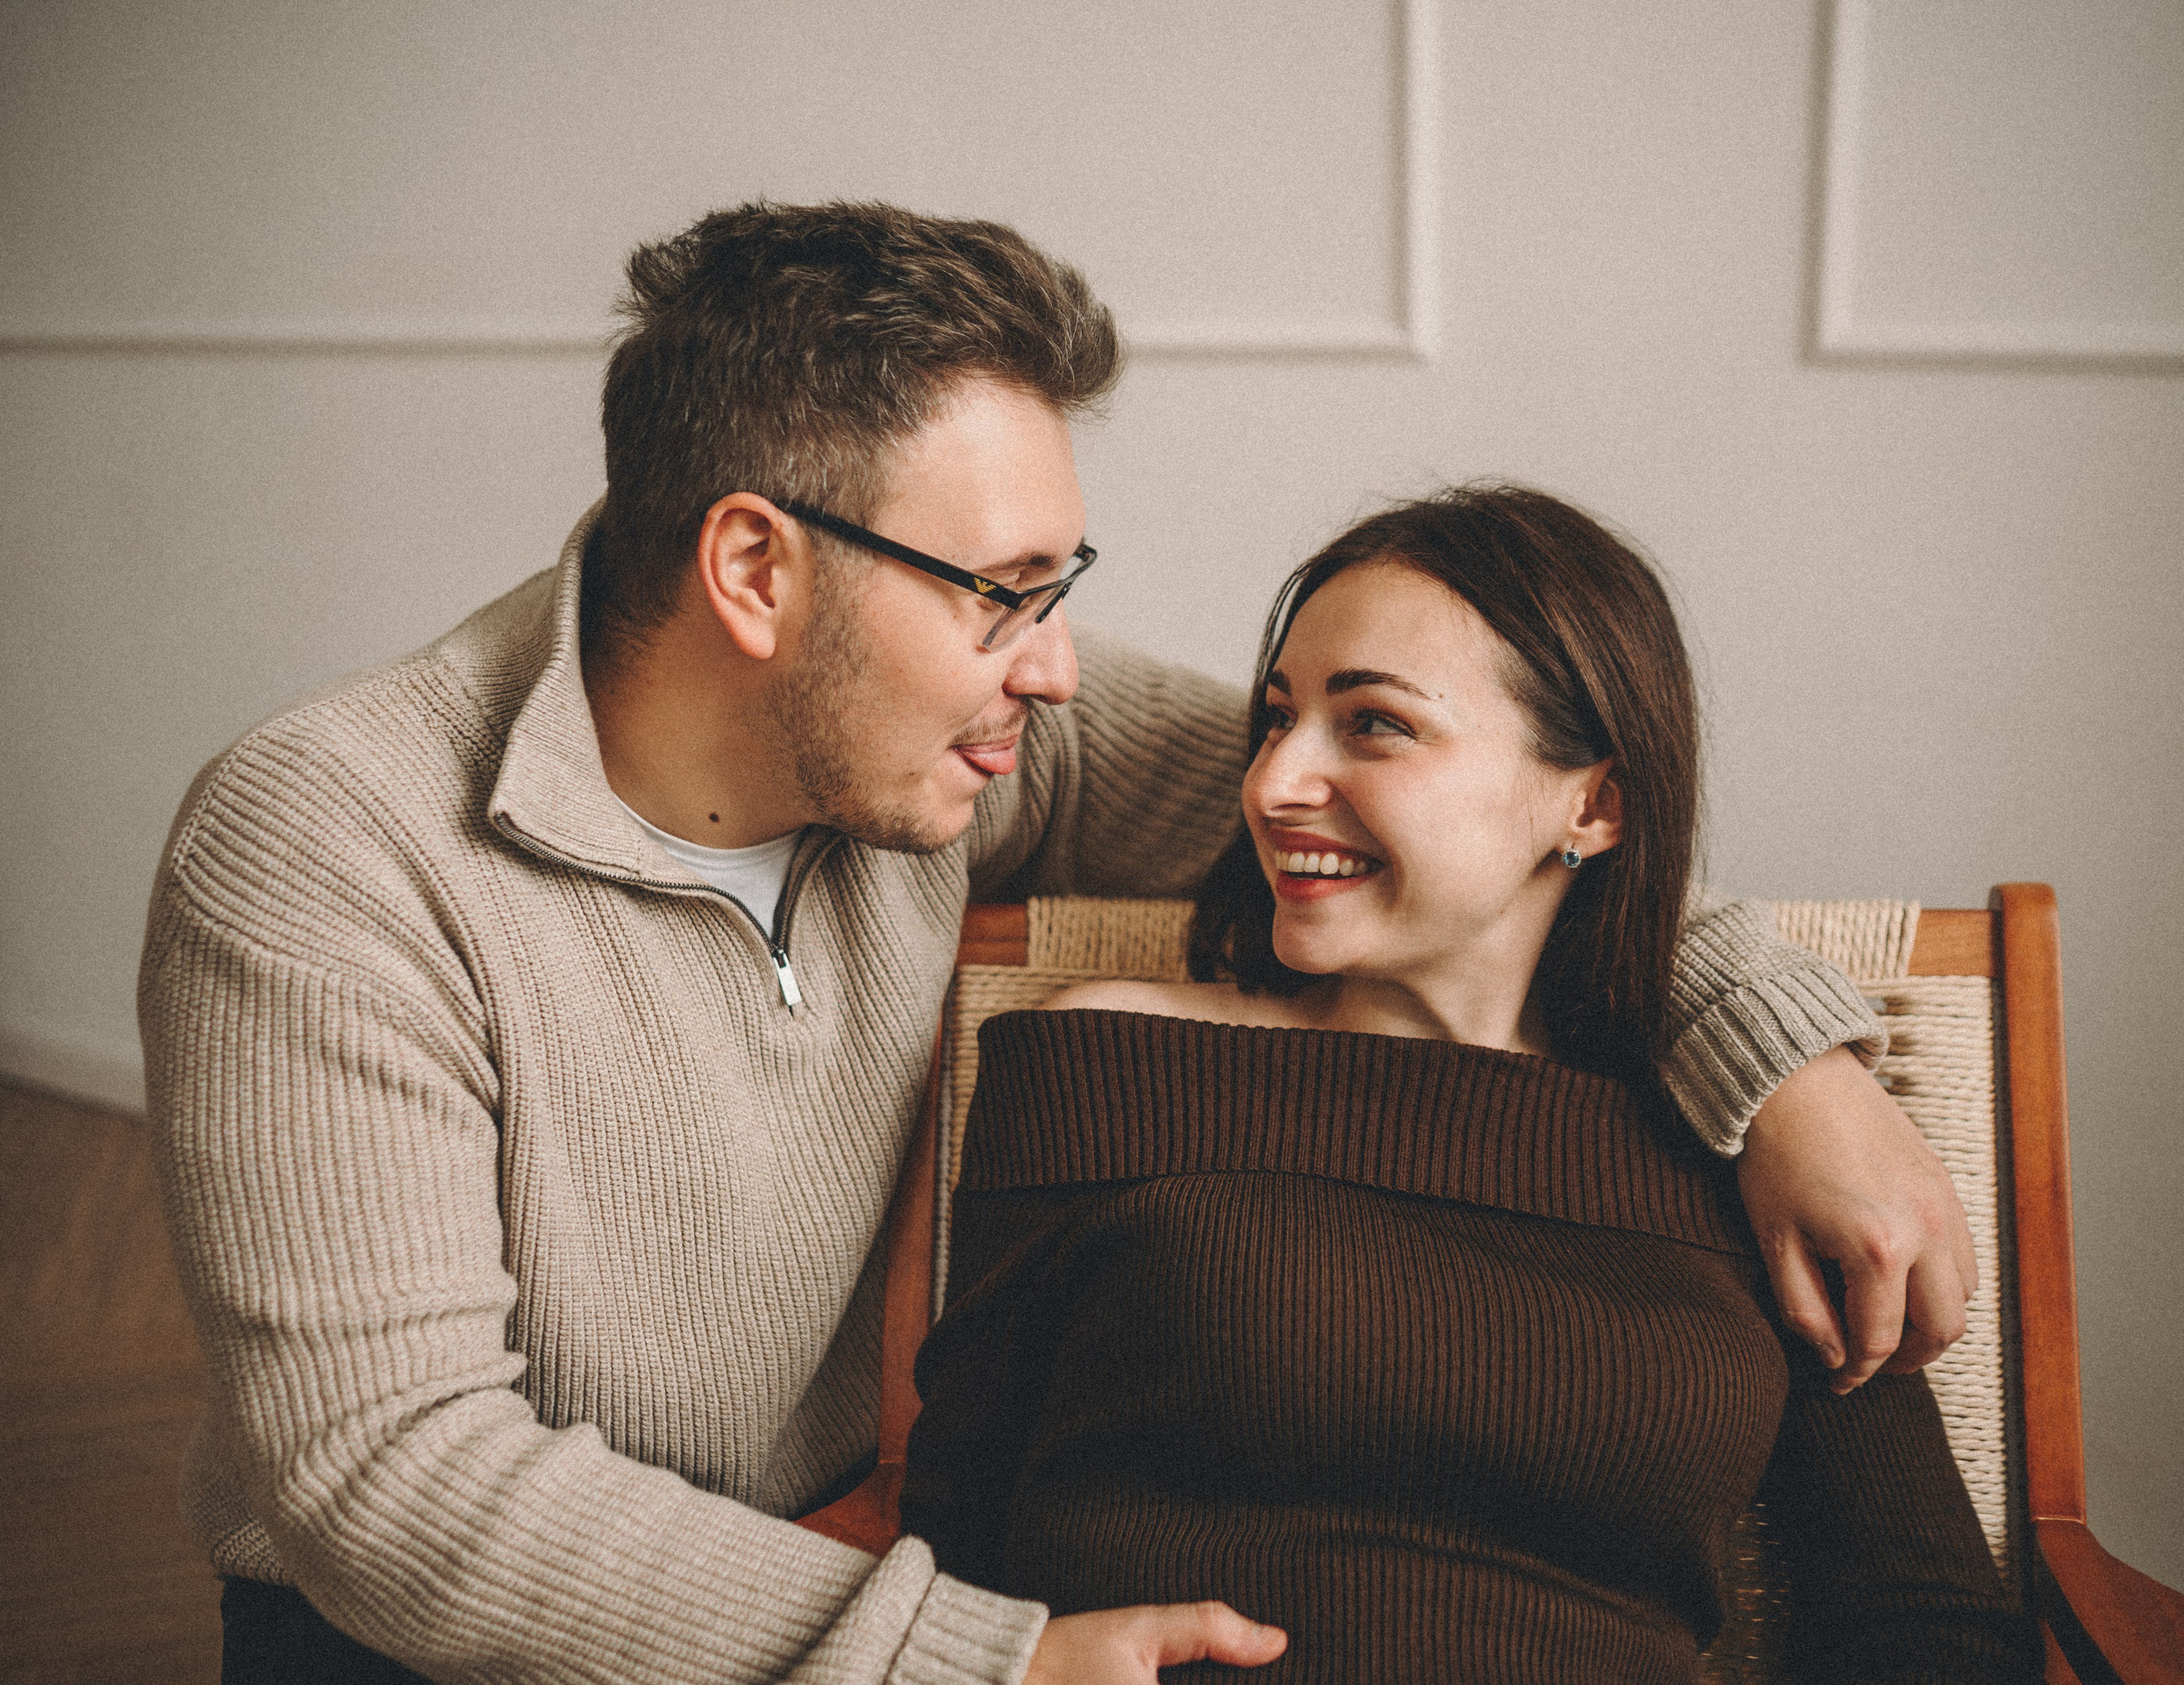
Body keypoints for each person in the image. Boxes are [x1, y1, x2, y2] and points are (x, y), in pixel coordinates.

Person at [140, 203, 1977, 1684]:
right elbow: (386, 1477)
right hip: (440, 1636)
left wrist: (1789, 1070)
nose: (1057, 667)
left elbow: (1478, 842)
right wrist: (974, 1659)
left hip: (834, 1563)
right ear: (757, 571)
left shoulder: (938, 749)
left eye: (1060, 590)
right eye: (1003, 595)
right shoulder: (330, 846)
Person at [901, 485, 2038, 1682]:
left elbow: (1925, 1618)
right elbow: (956, 1545)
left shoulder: (1752, 1148)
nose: (1274, 786)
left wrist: (1802, 1082)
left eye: (1375, 725)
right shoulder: (1111, 1064)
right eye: (1277, 720)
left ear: (1592, 803)